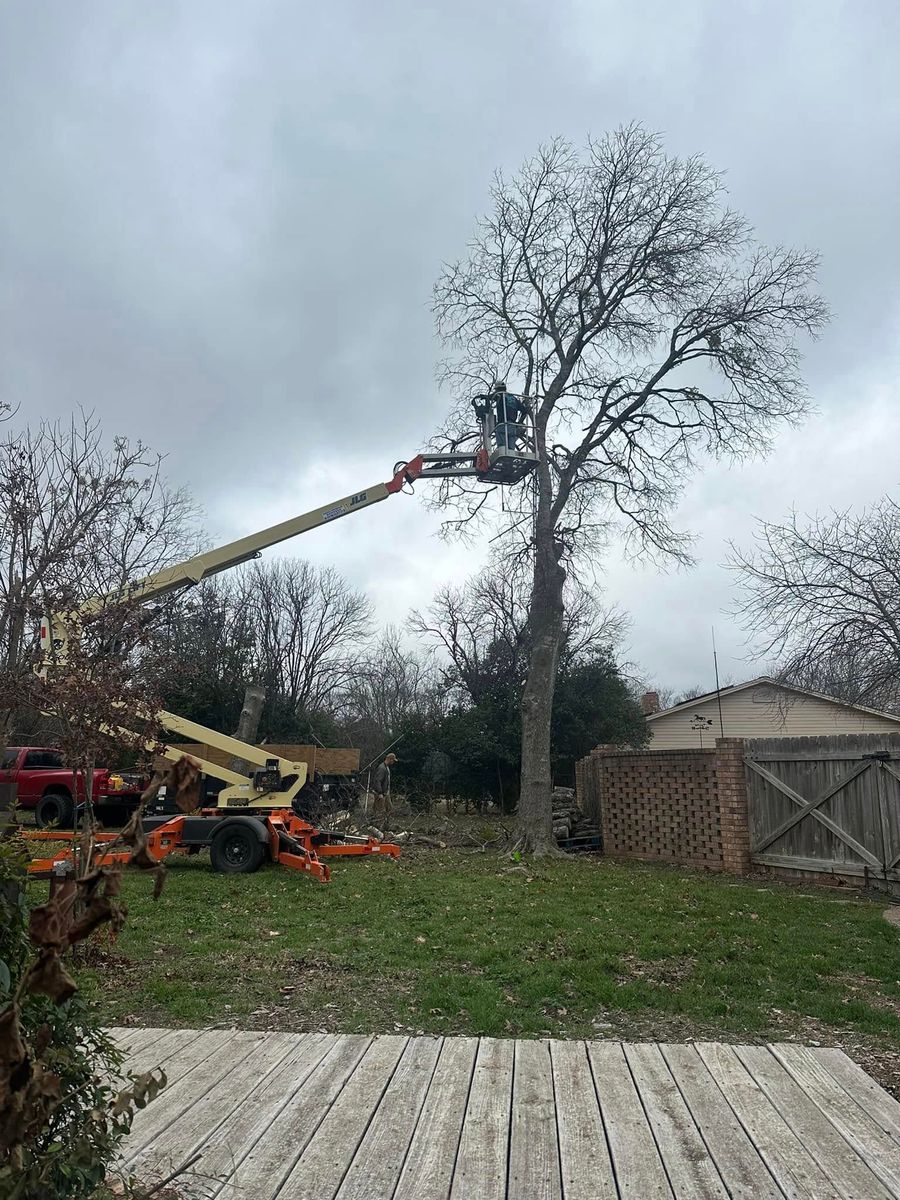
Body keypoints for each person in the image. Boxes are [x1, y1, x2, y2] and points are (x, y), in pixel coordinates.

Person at [491, 381, 530, 452]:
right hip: (512, 426)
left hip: (502, 425)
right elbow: (525, 411)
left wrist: (485, 397)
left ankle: (503, 454)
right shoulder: (513, 398)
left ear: (498, 389)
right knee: (511, 449)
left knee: (502, 448)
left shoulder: (500, 395)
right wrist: (519, 423)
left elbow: (492, 397)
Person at [371, 752, 397, 822]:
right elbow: (378, 781)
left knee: (390, 809)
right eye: (393, 760)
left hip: (385, 793)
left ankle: (387, 824)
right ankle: (378, 826)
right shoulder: (382, 768)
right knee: (380, 811)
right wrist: (380, 793)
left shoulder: (386, 767)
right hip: (381, 793)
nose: (393, 762)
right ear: (389, 759)